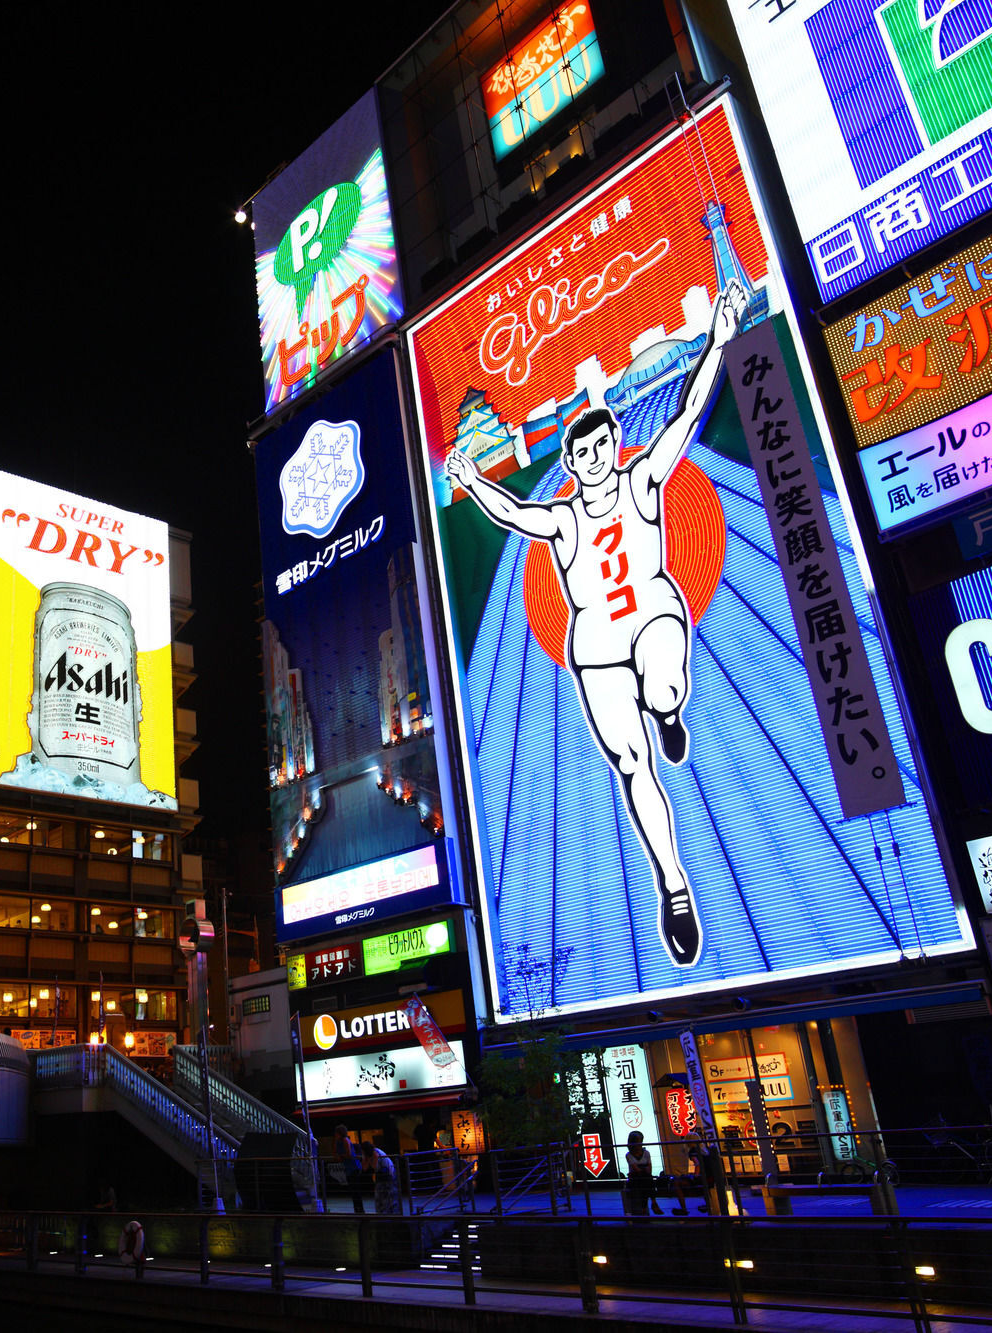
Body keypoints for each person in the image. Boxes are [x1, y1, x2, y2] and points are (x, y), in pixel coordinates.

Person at [443, 279, 749, 969]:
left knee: (666, 684)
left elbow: (688, 409)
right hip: (598, 647)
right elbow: (512, 516)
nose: (588, 462)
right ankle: (674, 884)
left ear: (612, 447)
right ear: (574, 464)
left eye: (597, 448)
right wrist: (470, 478)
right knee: (632, 763)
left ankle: (669, 708)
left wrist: (720, 338)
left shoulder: (643, 481)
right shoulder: (563, 518)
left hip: (654, 612)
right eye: (578, 456)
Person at [623, 1130, 662, 1219]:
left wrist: (642, 1169)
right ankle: (653, 1202)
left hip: (643, 1177)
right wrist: (643, 1168)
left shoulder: (646, 1153)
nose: (640, 1144)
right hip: (636, 1178)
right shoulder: (629, 1155)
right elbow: (637, 1169)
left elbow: (648, 1169)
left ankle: (645, 1209)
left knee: (646, 1181)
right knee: (646, 1180)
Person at [368, 1136, 399, 1216]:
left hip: (387, 1175)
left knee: (386, 1196)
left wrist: (367, 1160)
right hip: (385, 1175)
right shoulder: (376, 1152)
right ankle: (386, 1213)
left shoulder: (375, 1153)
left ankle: (387, 1213)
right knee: (384, 1196)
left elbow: (375, 1167)